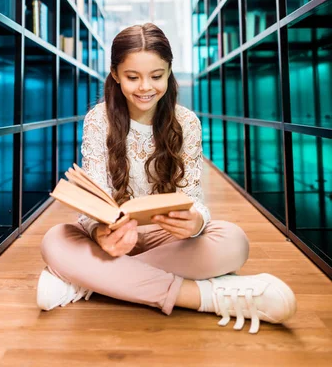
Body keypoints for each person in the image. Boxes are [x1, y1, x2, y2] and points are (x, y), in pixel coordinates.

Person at [37, 23, 296, 334]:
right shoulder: (98, 118)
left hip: (166, 236)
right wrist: (99, 232)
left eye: (156, 76)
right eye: (133, 77)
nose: (145, 87)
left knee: (233, 241)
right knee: (55, 239)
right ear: (115, 74)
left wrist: (195, 222)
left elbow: (195, 199)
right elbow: (94, 199)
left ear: (170, 71)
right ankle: (205, 296)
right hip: (113, 239)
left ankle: (86, 281)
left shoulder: (186, 122)